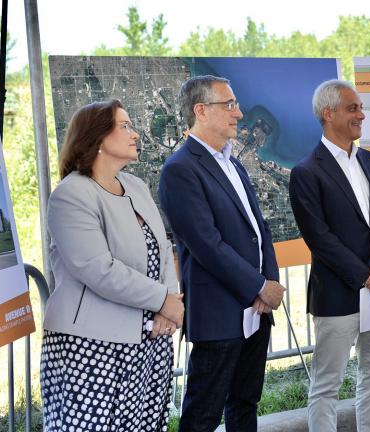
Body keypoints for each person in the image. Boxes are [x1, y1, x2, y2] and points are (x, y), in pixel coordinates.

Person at [41, 99, 184, 431]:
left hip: (150, 337)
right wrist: (163, 301)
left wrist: (169, 305)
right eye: (125, 126)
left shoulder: (136, 186)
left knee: (147, 423)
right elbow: (98, 269)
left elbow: (162, 248)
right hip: (93, 346)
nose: (134, 134)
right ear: (98, 138)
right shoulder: (71, 195)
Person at [158, 75, 285, 432]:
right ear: (201, 111)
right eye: (229, 105)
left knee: (245, 405)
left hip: (256, 310)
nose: (239, 113)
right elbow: (207, 245)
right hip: (220, 315)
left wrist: (269, 282)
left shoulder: (233, 164)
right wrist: (259, 286)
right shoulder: (180, 169)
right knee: (203, 416)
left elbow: (259, 229)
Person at [289, 79, 370, 432]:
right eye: (353, 108)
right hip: (338, 295)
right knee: (326, 386)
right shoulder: (306, 172)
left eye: (360, 108)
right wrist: (364, 275)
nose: (361, 115)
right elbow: (319, 238)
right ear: (329, 113)